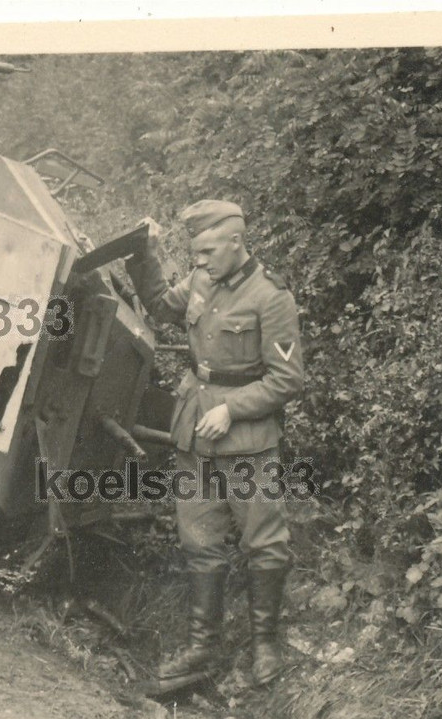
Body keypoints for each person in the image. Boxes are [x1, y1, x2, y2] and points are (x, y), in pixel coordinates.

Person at [126, 200, 305, 689]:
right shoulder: (201, 281)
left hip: (246, 438)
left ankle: (264, 645)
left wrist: (232, 409)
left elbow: (288, 378)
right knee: (199, 540)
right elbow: (162, 306)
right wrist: (145, 254)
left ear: (236, 241)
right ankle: (203, 647)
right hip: (195, 430)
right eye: (196, 253)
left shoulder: (271, 296)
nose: (200, 261)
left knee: (264, 542)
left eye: (208, 251)